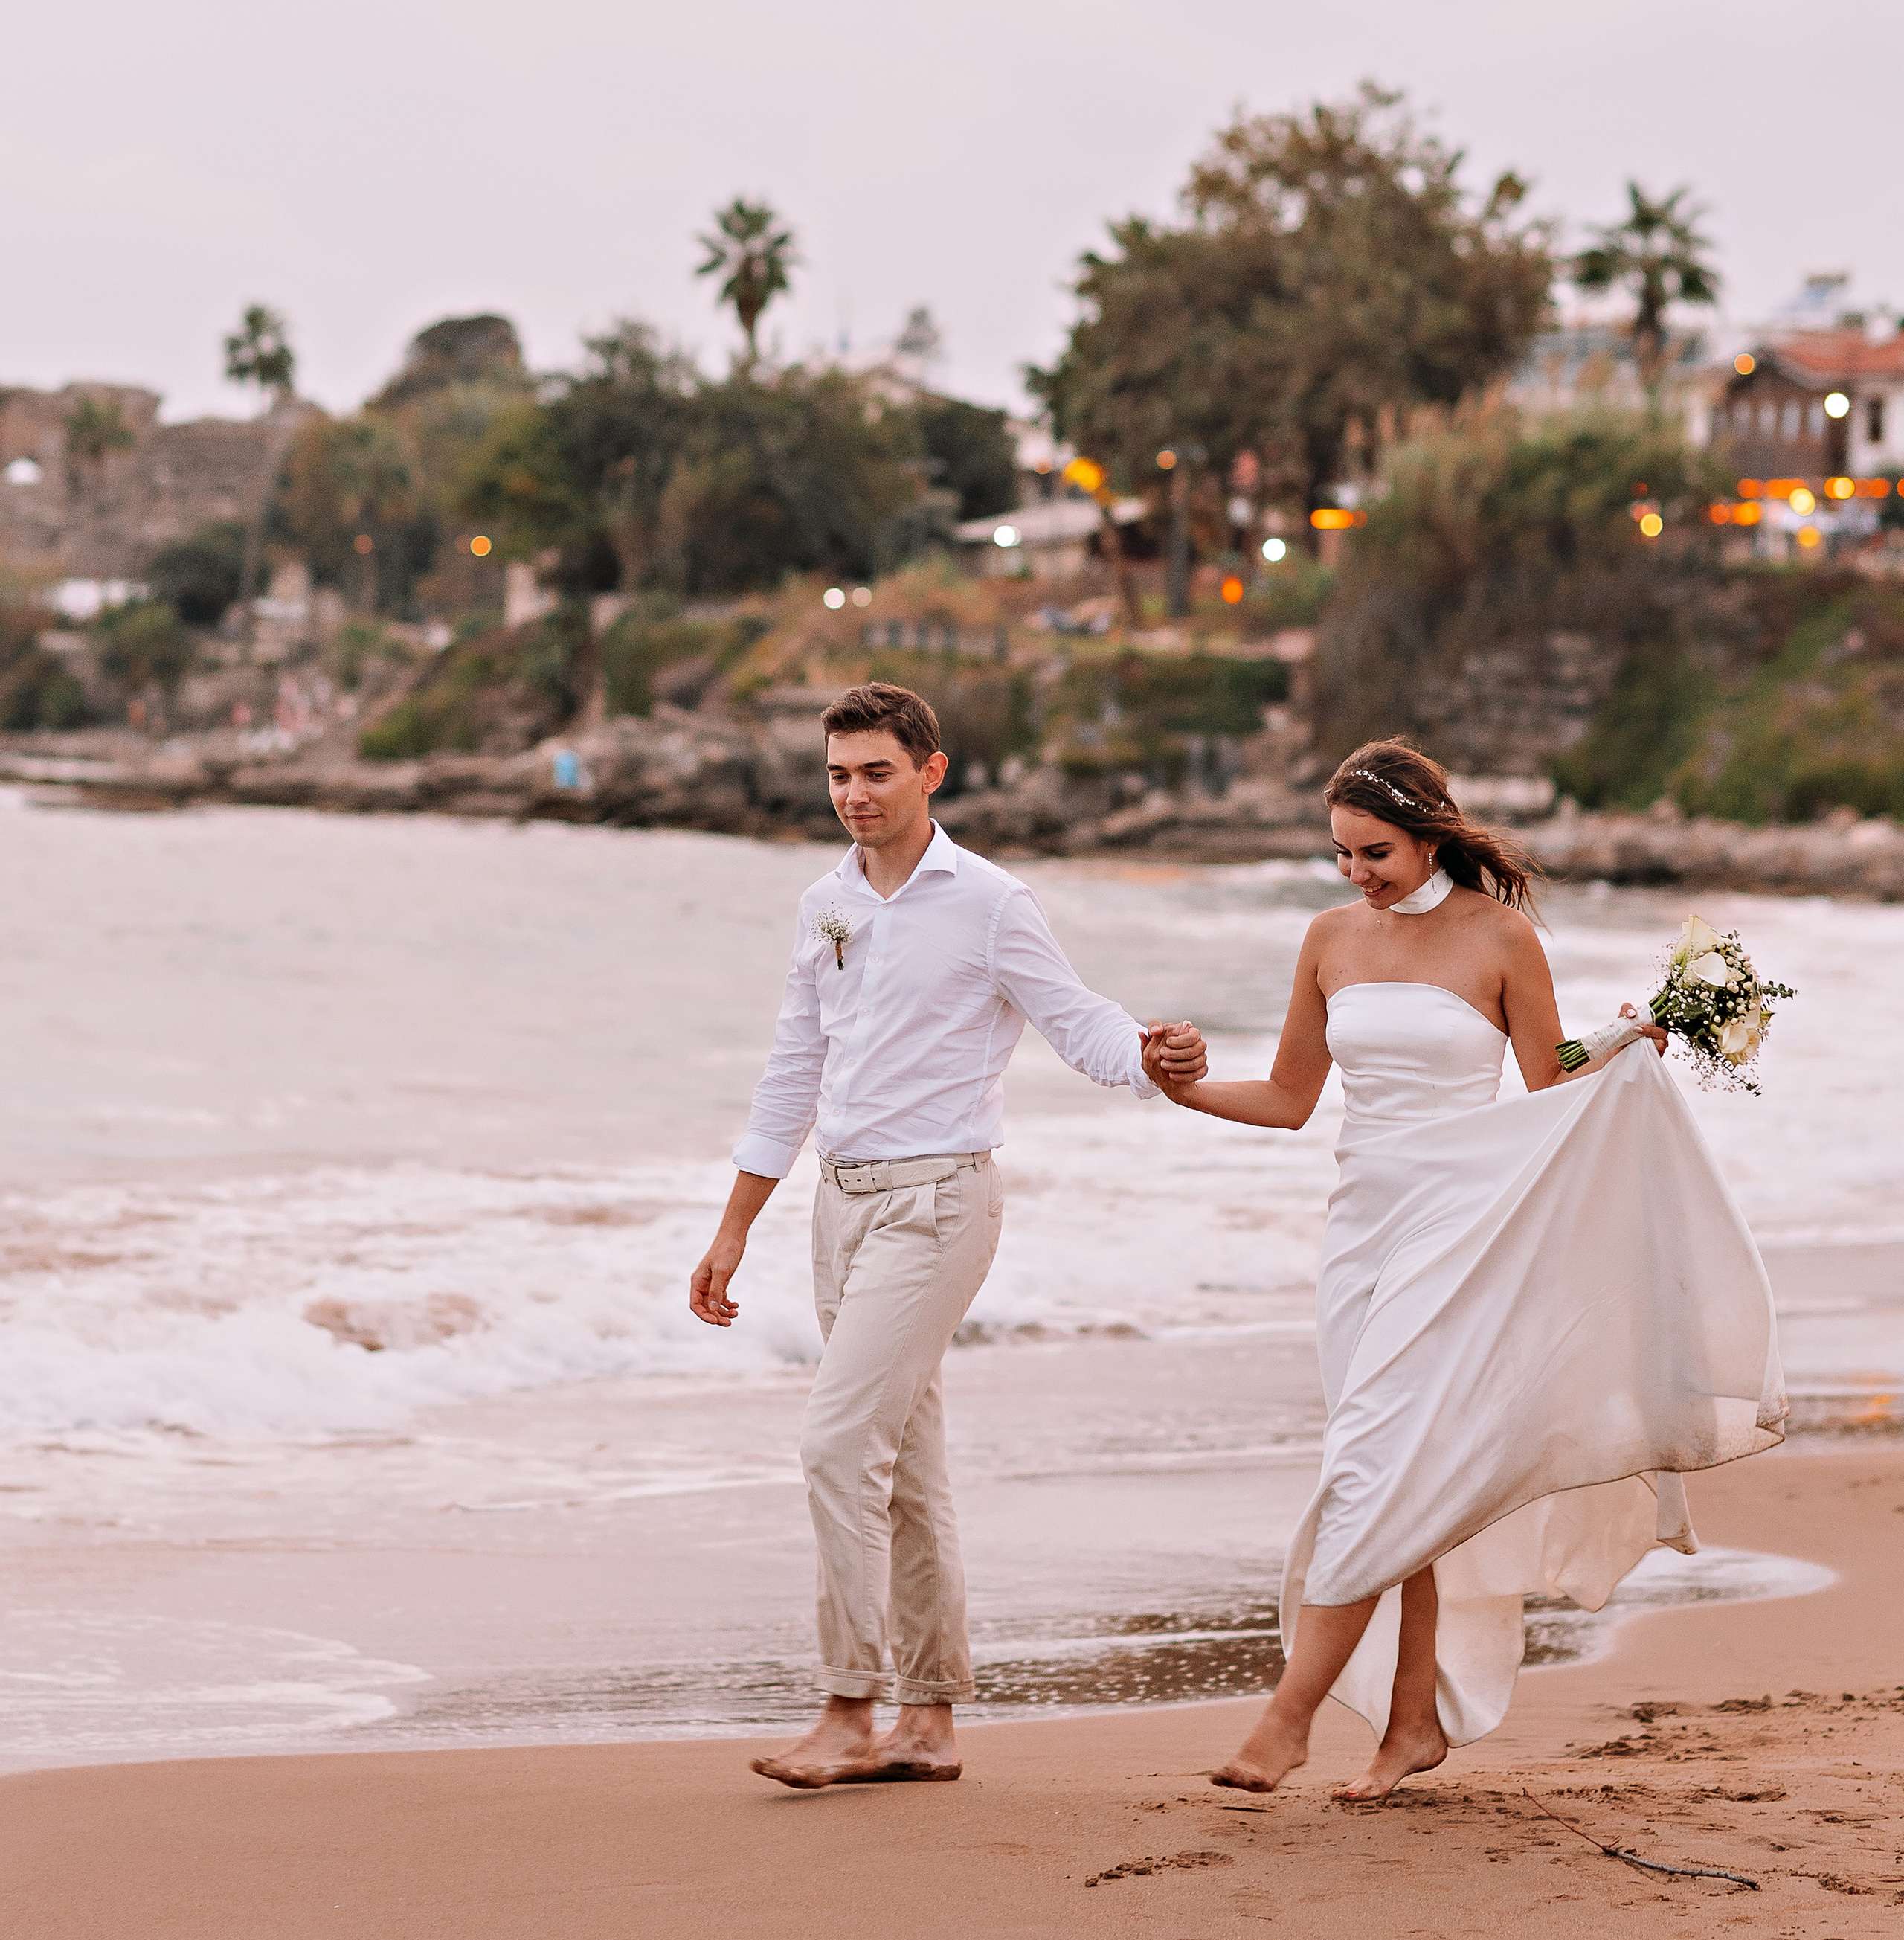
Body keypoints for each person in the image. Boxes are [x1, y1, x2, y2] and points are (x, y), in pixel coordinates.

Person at [1148, 736, 1786, 1802]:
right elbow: (1290, 1100)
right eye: (1342, 853)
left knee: (1373, 1465)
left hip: (1462, 1229)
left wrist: (1631, 1034)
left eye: (1375, 852)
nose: (1356, 872)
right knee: (1407, 1472)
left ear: (1429, 836)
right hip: (1361, 1234)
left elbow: (1547, 1076)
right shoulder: (1328, 937)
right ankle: (1412, 1723)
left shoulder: (1500, 937)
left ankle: (1287, 1718)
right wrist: (1184, 1092)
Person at [688, 680, 1204, 1790]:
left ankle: (847, 1708)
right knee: (907, 1473)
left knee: (836, 1445)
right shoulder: (825, 904)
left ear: (932, 772)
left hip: (938, 1207)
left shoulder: (991, 902)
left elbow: (1076, 1019)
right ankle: (928, 1723)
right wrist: (735, 1228)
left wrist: (1152, 1058)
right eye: (838, 775)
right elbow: (794, 1067)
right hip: (840, 1207)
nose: (853, 794)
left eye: (876, 772)